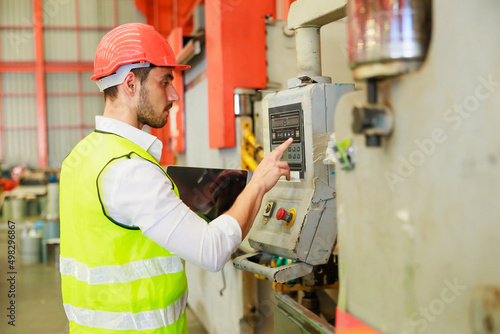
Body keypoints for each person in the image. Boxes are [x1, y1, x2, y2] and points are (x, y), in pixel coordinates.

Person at [59, 23, 293, 334]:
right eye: (165, 81)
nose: (174, 95)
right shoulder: (130, 170)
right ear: (130, 83)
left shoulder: (82, 155)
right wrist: (259, 183)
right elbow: (211, 251)